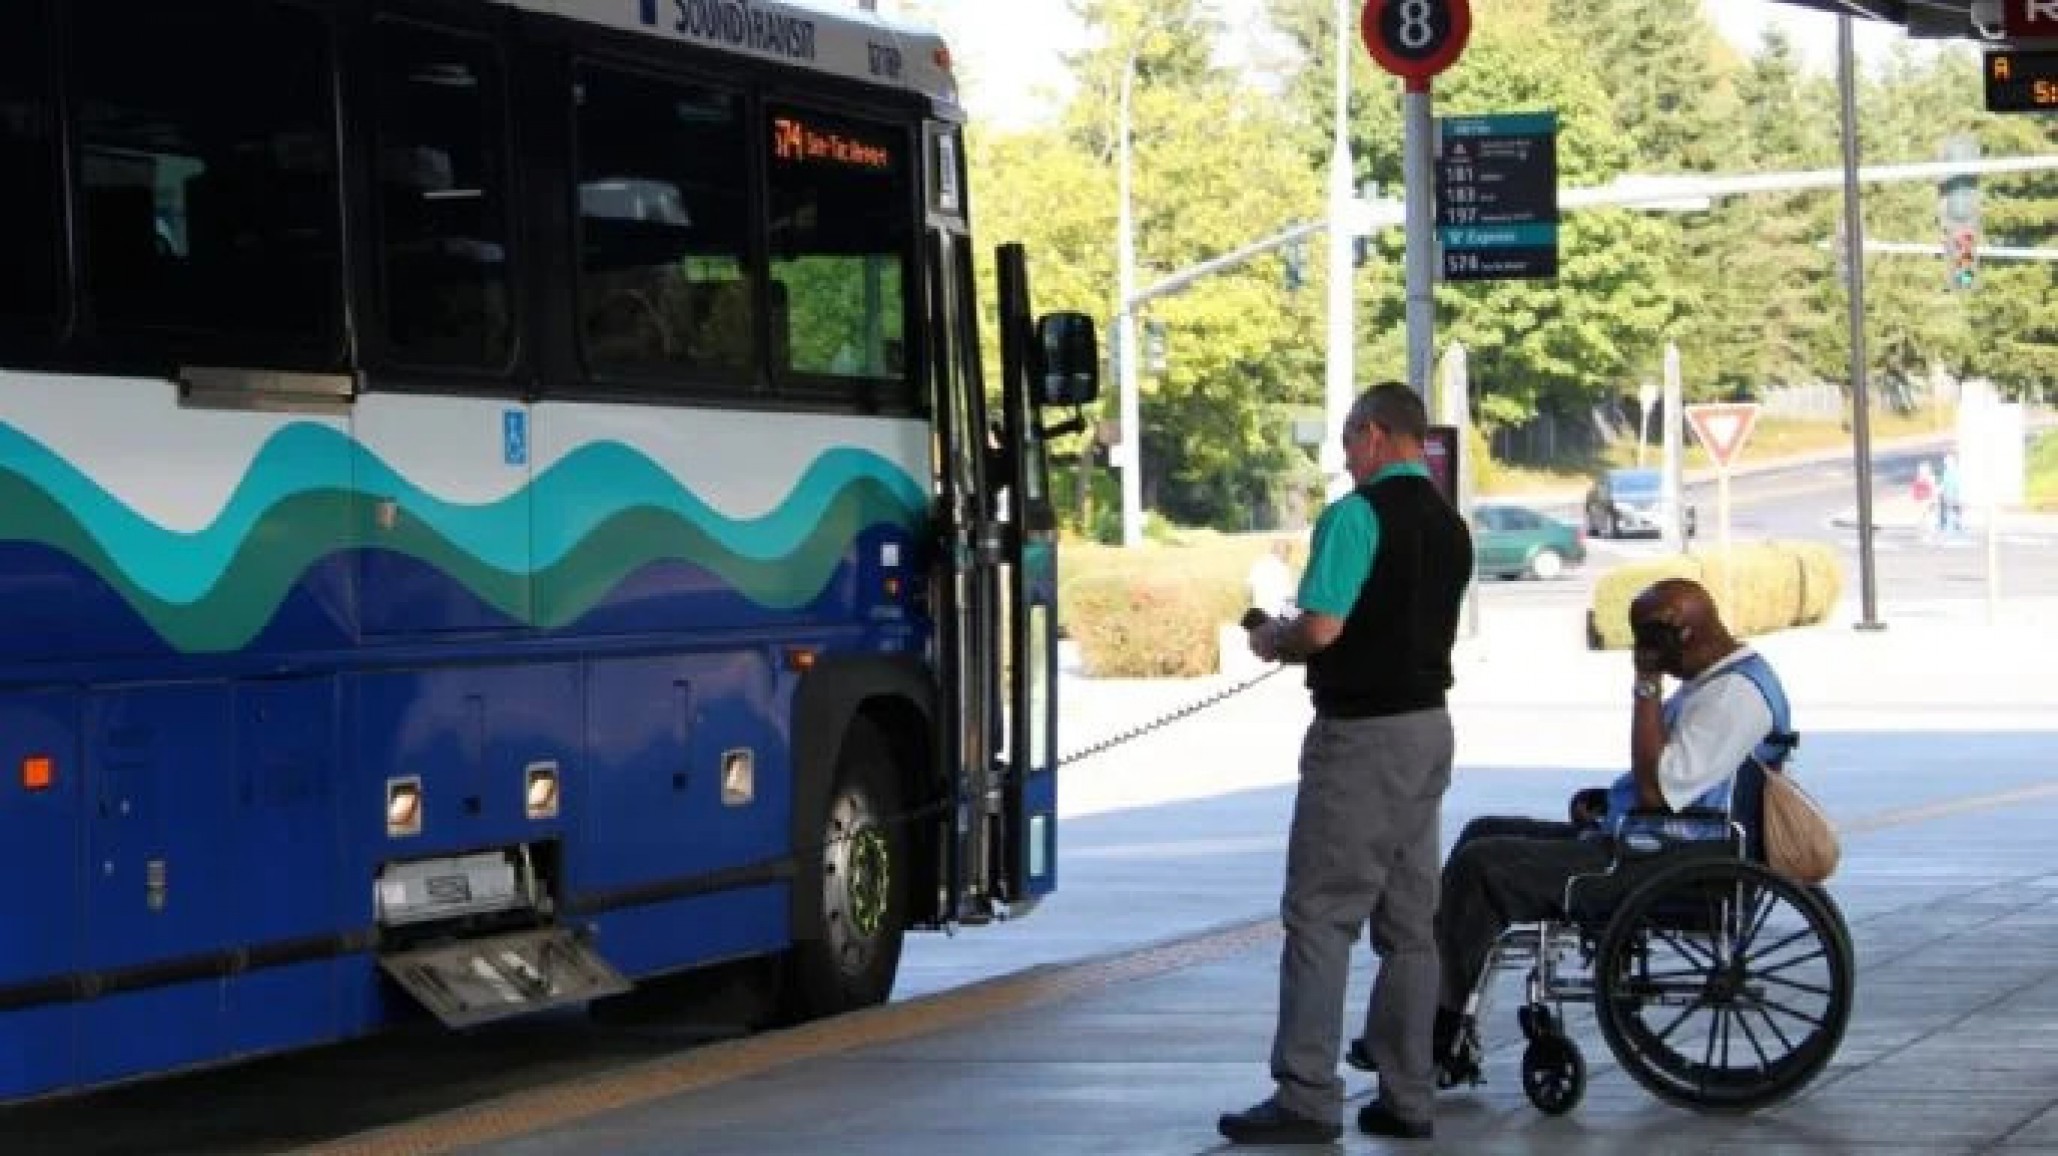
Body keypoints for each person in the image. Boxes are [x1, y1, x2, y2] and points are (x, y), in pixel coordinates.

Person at [1215, 382, 1473, 1145]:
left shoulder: (1355, 516)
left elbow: (1324, 629)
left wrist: (1274, 639)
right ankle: (1408, 1094)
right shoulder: (1449, 524)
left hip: (1361, 737)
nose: (1343, 457)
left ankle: (1306, 1094)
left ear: (1372, 433)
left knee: (1322, 916)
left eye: (1346, 440)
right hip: (1429, 729)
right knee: (1409, 925)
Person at [1422, 578, 1792, 1081]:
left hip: (1666, 860)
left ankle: (1438, 1028)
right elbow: (1665, 781)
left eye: (1647, 639)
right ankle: (1442, 1008)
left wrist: (1645, 685)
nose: (1642, 650)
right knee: (1483, 830)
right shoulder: (1719, 681)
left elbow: (1659, 791)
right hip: (1656, 840)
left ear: (1680, 635)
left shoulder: (1731, 696)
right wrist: (1609, 803)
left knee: (1481, 866)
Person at [1246, 538, 1298, 619]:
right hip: (1276, 616)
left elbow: (1249, 593)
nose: (1288, 557)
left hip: (1257, 615)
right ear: (1283, 553)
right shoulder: (1282, 569)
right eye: (1288, 553)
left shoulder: (1258, 564)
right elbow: (1290, 597)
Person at [1911, 461, 1937, 536]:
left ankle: (1931, 530)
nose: (1923, 472)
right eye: (1922, 470)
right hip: (1922, 501)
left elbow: (1933, 488)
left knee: (1930, 516)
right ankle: (1924, 528)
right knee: (1924, 515)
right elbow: (1915, 490)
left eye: (1926, 470)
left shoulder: (1931, 478)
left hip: (1928, 500)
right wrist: (1916, 498)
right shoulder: (1919, 479)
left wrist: (1933, 498)